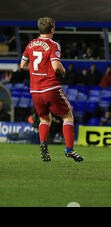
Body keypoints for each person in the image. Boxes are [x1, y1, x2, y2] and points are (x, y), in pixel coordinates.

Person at [20, 17, 83, 162]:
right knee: (68, 116)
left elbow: (22, 65)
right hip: (50, 87)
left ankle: (43, 143)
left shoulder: (31, 44)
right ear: (52, 29)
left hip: (35, 90)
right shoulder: (54, 45)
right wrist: (63, 71)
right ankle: (69, 149)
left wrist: (38, 70)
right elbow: (55, 66)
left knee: (44, 118)